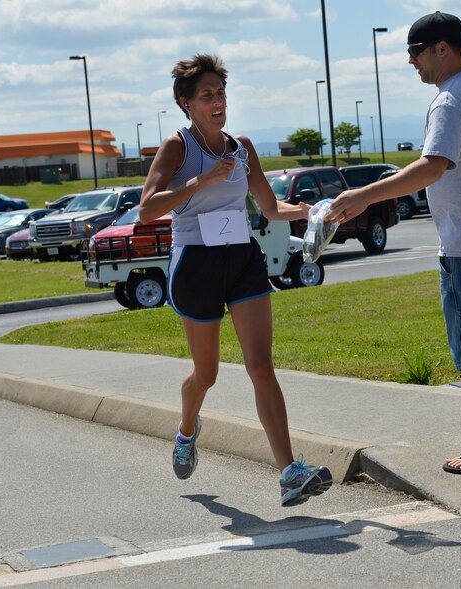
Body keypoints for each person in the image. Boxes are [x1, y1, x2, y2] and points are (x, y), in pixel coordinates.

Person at [326, 12, 461, 475]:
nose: (411, 63)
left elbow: (432, 166)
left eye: (415, 52)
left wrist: (363, 196)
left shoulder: (449, 101)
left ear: (441, 48)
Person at [140, 54, 332, 506]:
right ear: (186, 103)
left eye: (221, 93)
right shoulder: (178, 147)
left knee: (260, 366)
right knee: (205, 375)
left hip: (242, 259)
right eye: (207, 95)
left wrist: (316, 210)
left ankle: (289, 474)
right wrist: (201, 181)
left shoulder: (241, 147)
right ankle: (187, 430)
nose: (218, 102)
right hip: (196, 265)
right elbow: (149, 207)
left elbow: (269, 208)